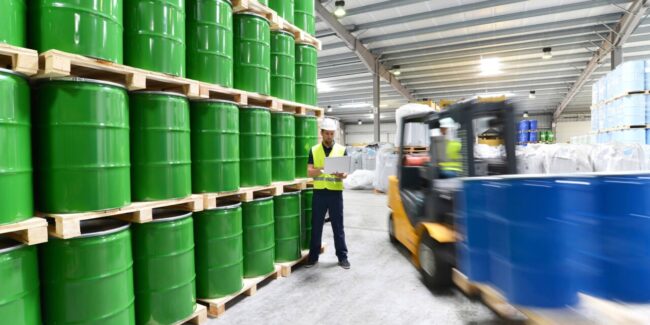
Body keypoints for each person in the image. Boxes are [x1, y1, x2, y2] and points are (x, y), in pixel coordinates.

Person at [305, 118, 350, 269]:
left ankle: (342, 257)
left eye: (332, 134)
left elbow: (345, 174)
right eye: (327, 134)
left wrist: (341, 175)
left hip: (335, 193)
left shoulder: (342, 149)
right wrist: (322, 168)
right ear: (322, 133)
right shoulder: (314, 150)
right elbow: (309, 172)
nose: (330, 137)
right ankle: (313, 257)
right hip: (319, 193)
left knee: (338, 226)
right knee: (316, 225)